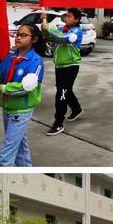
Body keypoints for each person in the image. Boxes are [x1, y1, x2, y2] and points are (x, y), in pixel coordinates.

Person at [0, 24, 45, 167]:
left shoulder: (36, 61)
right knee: (20, 150)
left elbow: (27, 87)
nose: (18, 37)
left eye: (23, 35)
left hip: (21, 111)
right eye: (17, 34)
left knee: (7, 153)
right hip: (7, 107)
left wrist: (1, 87)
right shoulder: (10, 57)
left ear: (34, 39)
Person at [42, 8, 84, 136]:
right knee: (66, 89)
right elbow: (48, 36)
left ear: (76, 19)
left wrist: (48, 28)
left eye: (69, 16)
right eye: (66, 16)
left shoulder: (76, 31)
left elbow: (63, 38)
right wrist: (44, 25)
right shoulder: (62, 29)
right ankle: (76, 109)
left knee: (61, 93)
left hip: (70, 66)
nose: (66, 18)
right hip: (60, 66)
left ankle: (58, 123)